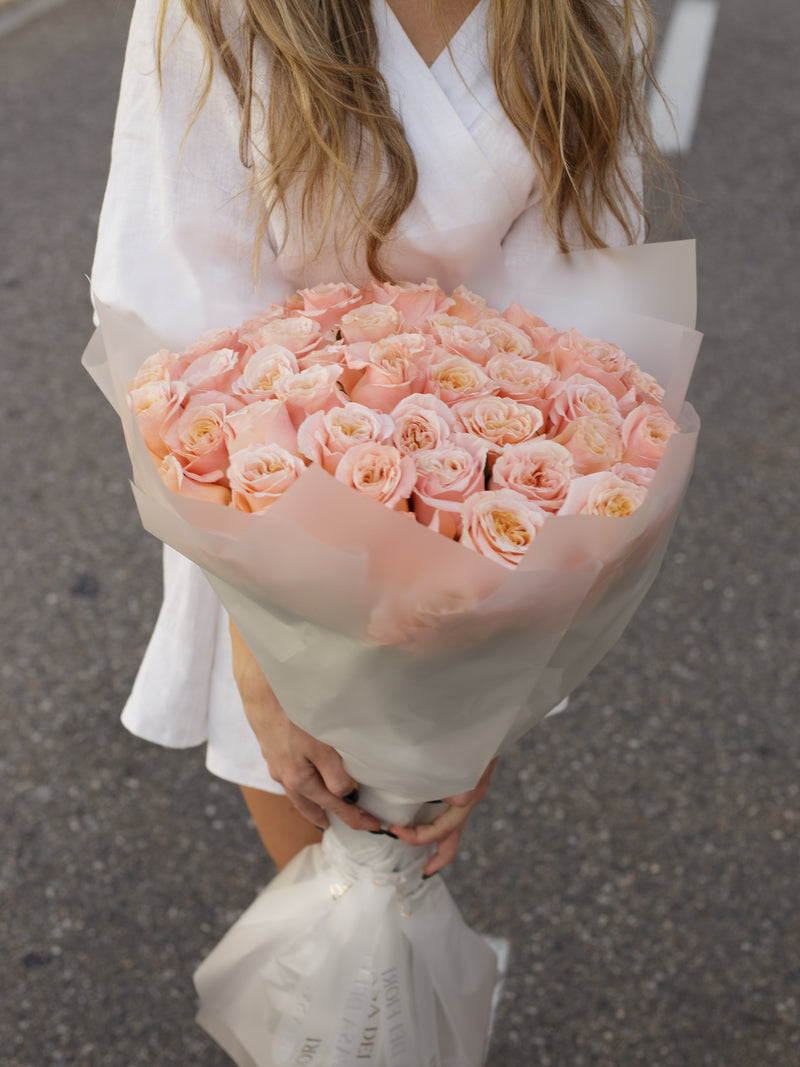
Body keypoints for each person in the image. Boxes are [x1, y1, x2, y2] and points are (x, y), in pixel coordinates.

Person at [92, 0, 667, 877]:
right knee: (321, 867)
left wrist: (499, 632)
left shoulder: (593, 14)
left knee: (402, 852)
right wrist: (268, 638)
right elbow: (180, 295)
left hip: (473, 501)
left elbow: (580, 313)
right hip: (257, 502)